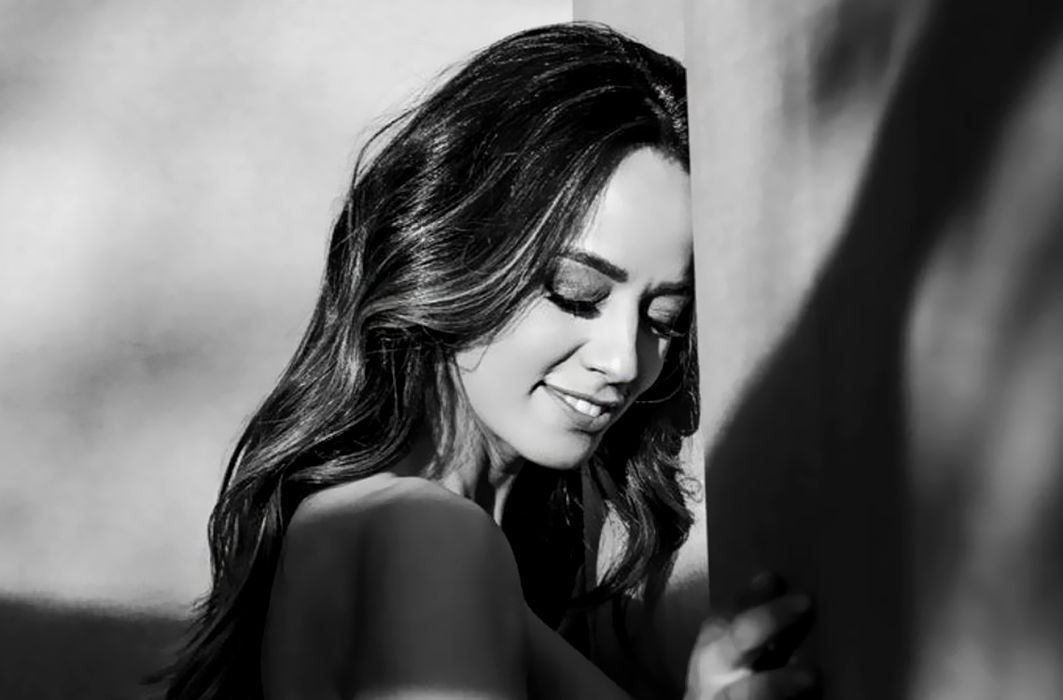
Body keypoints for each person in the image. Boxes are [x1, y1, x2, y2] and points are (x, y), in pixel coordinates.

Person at [159, 22, 815, 700]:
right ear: (452, 254)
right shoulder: (427, 535)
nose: (624, 360)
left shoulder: (375, 527)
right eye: (576, 293)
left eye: (663, 319)